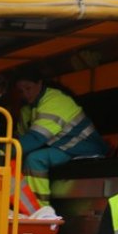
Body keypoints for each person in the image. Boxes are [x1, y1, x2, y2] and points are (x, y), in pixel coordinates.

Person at [15, 69, 108, 206]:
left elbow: (36, 138)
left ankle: (39, 209)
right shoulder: (27, 109)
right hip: (62, 146)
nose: (25, 94)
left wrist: (3, 152)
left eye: (28, 88)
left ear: (39, 84)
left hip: (82, 146)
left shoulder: (55, 100)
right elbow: (22, 139)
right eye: (21, 91)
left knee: (35, 159)